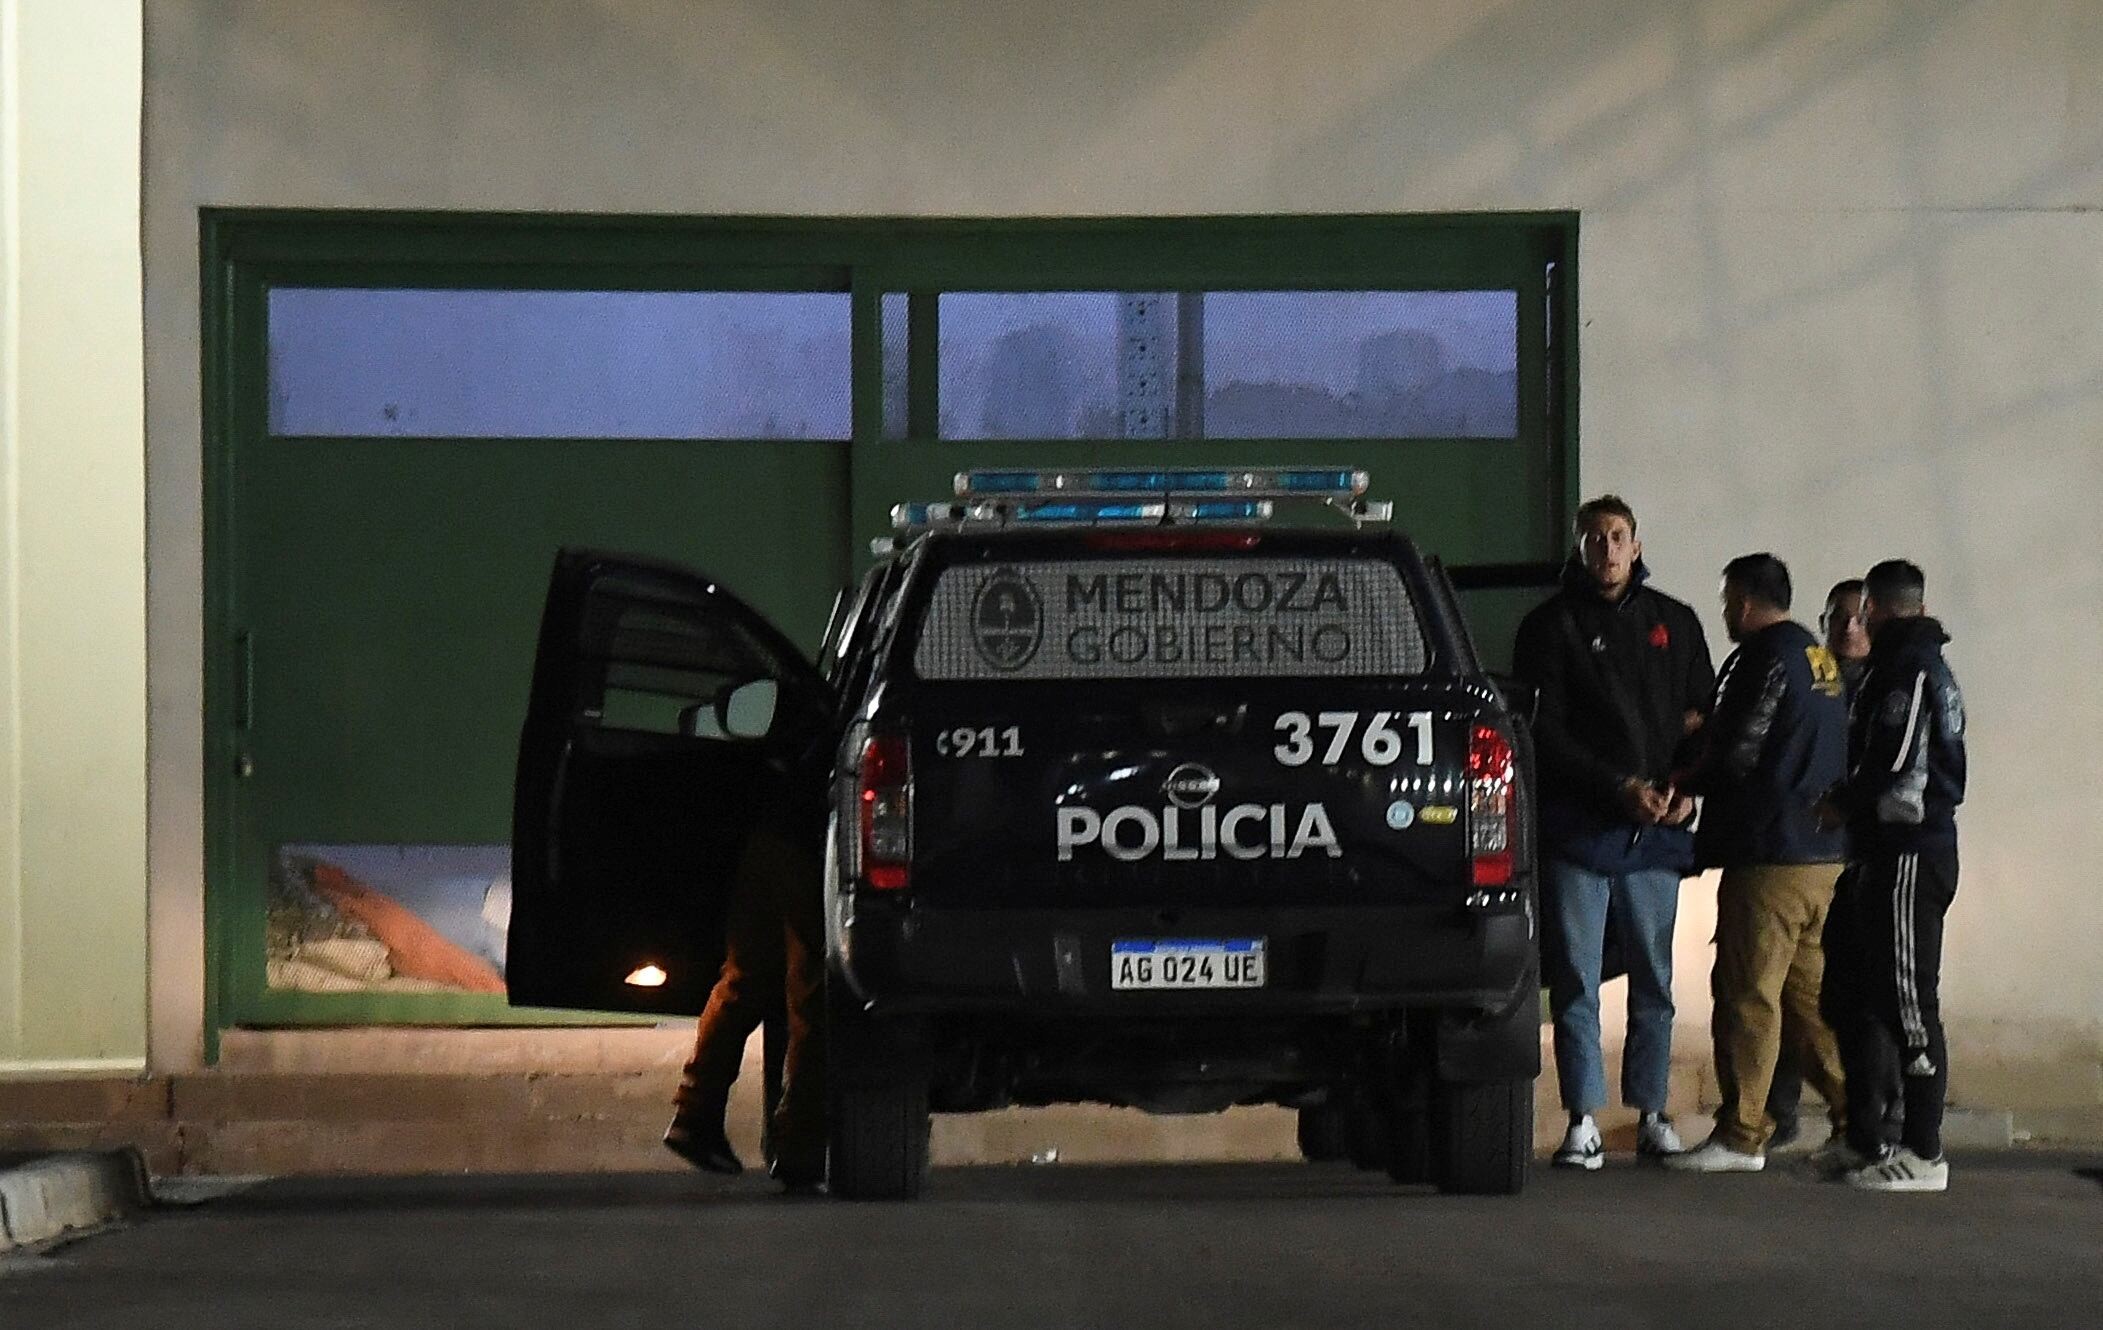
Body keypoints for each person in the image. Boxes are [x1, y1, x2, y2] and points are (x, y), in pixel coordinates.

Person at [1513, 494, 1714, 1169]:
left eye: (1617, 537)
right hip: (1577, 832)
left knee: (1654, 981)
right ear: (1578, 546)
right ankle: (1581, 1121)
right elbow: (1543, 729)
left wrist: (1681, 794)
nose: (1605, 550)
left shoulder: (1675, 623)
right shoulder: (1548, 627)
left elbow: (1702, 719)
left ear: (1635, 543)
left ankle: (1651, 1113)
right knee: (1574, 979)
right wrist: (1615, 788)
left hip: (1656, 835)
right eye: (1593, 539)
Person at [1663, 553, 1850, 1173]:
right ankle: (1862, 1120)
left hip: (1771, 854)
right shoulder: (1820, 659)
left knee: (1748, 995)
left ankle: (1741, 1133)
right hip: (1824, 857)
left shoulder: (1760, 658)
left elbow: (1739, 752)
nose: (1723, 613)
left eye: (1726, 602)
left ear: (1743, 601)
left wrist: (1681, 780)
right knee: (1809, 1000)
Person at [1813, 559, 1966, 1192]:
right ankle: (1868, 1139)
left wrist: (1840, 803)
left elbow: (1895, 756)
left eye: (1863, 610)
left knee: (1908, 1000)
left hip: (1909, 851)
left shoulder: (1911, 669)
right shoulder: (1898, 665)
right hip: (1879, 853)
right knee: (1854, 991)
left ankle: (1924, 1153)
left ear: (1877, 607)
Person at [1765, 576, 1873, 1148]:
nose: (1847, 629)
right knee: (1787, 988)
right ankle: (1781, 1112)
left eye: (1858, 619)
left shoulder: (1881, 690)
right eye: (1837, 618)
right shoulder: (1812, 681)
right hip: (1812, 853)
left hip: (1851, 860)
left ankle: (1860, 1112)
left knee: (1825, 994)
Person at [663, 820, 829, 1192]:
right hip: (811, 841)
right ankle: (800, 1146)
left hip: (768, 836)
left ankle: (695, 1112)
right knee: (813, 996)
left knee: (745, 979)